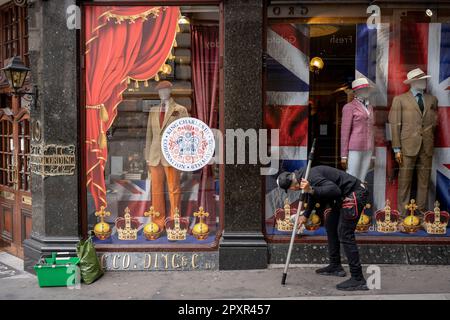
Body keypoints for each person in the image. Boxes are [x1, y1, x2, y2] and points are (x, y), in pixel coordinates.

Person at [277, 165, 369, 291]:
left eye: (291, 189)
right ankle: (336, 266)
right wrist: (306, 215)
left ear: (292, 187)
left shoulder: (311, 175)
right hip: (342, 198)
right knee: (331, 225)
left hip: (354, 194)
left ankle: (358, 279)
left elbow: (334, 190)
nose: (293, 190)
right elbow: (312, 195)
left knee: (345, 233)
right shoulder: (304, 175)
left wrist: (311, 189)